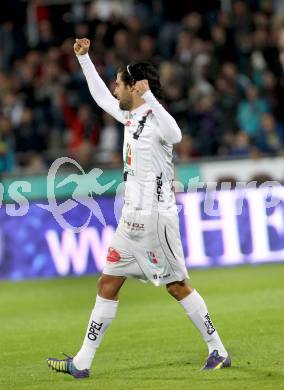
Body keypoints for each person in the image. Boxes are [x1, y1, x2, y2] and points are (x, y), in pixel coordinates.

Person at [47, 38, 231, 378]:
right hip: (130, 219)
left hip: (156, 218)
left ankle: (218, 349)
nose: (115, 88)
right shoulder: (131, 116)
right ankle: (82, 362)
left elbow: (175, 135)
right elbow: (101, 97)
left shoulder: (155, 118)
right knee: (107, 283)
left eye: (119, 82)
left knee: (177, 285)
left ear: (135, 86)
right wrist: (85, 60)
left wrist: (150, 98)